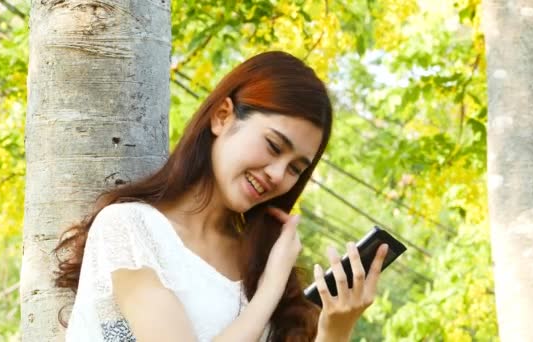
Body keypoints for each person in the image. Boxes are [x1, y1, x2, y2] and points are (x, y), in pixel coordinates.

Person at [54, 51, 388, 342]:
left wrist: (336, 330)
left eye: (295, 169)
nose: (277, 174)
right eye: (273, 146)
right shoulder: (129, 230)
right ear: (222, 117)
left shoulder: (260, 259)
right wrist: (271, 286)